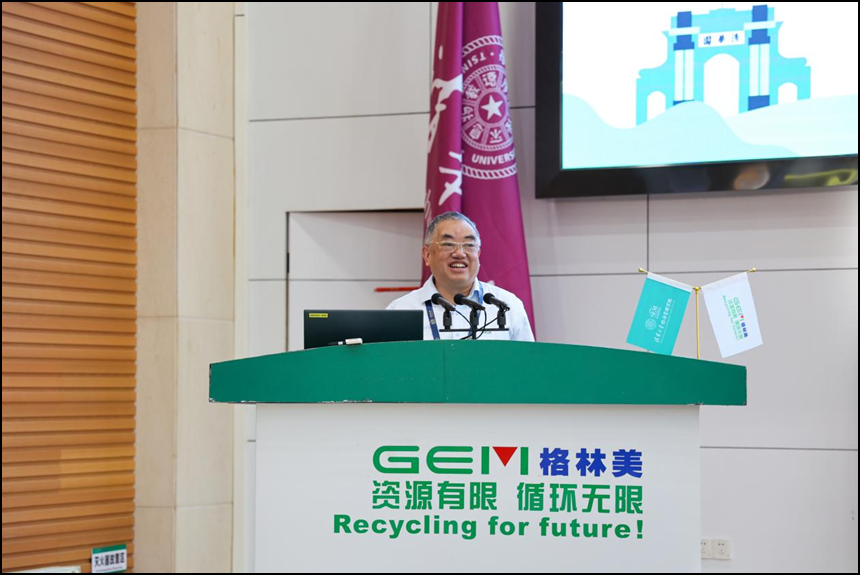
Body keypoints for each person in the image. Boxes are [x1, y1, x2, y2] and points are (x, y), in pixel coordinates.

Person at [387, 211, 534, 341]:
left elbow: (527, 361)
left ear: (478, 254)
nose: (459, 253)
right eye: (448, 244)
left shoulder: (506, 306)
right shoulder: (400, 311)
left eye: (469, 245)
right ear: (427, 255)